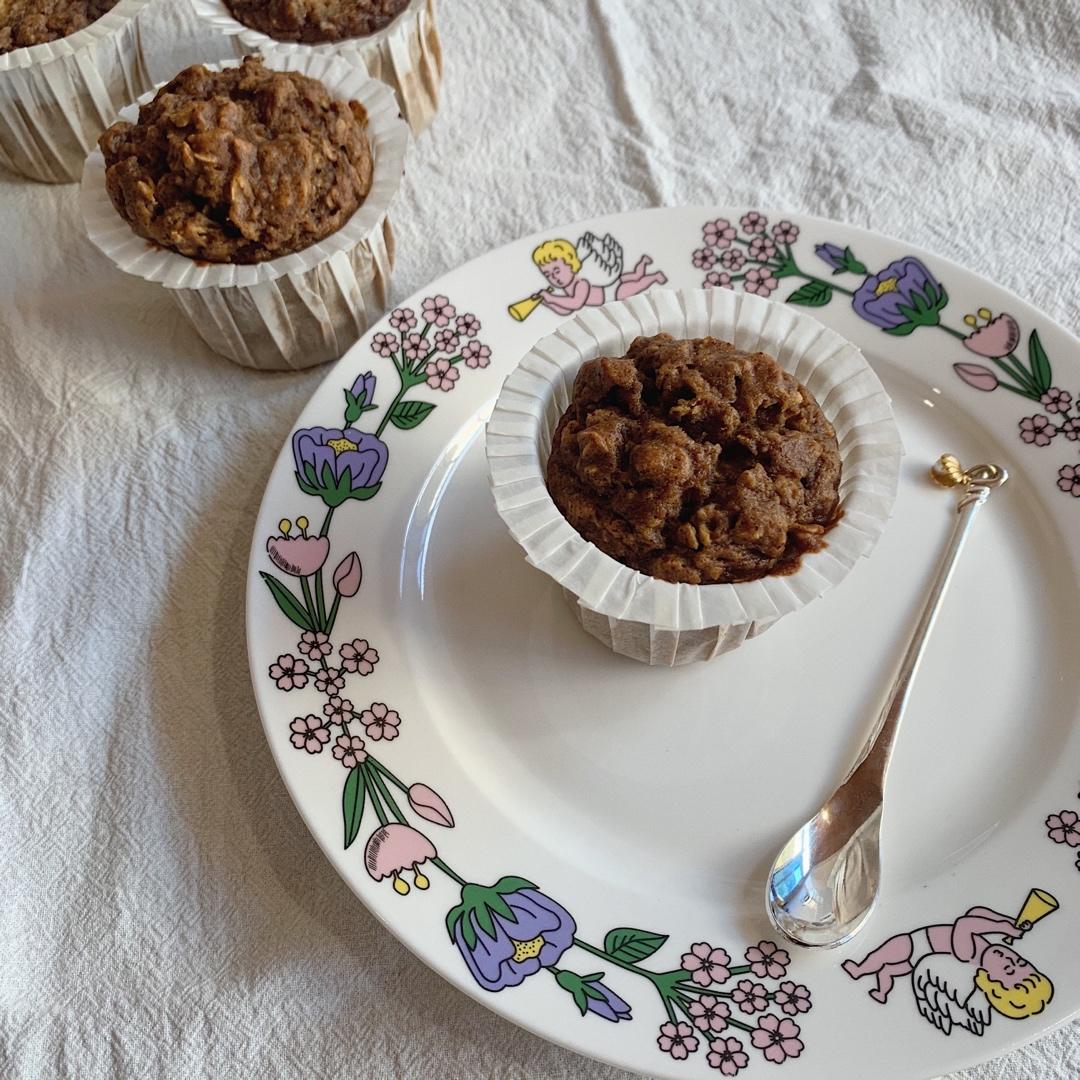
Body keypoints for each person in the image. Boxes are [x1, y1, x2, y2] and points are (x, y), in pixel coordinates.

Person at [842, 906, 1053, 1018]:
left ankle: (860, 971)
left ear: (990, 980)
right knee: (887, 971)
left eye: (1007, 968)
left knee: (882, 956)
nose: (1009, 958)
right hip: (918, 957)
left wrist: (1003, 927)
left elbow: (965, 923)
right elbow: (977, 913)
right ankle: (881, 992)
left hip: (915, 944)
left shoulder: (968, 954)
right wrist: (1007, 921)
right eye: (1019, 961)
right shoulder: (983, 946)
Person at [531, 238, 666, 315]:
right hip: (612, 290)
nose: (554, 277)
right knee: (635, 277)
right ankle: (643, 263)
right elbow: (565, 309)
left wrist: (551, 298)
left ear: (570, 264)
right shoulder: (567, 291)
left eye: (556, 270)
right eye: (548, 275)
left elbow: (575, 302)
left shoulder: (580, 284)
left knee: (638, 282)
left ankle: (654, 276)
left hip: (614, 292)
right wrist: (547, 303)